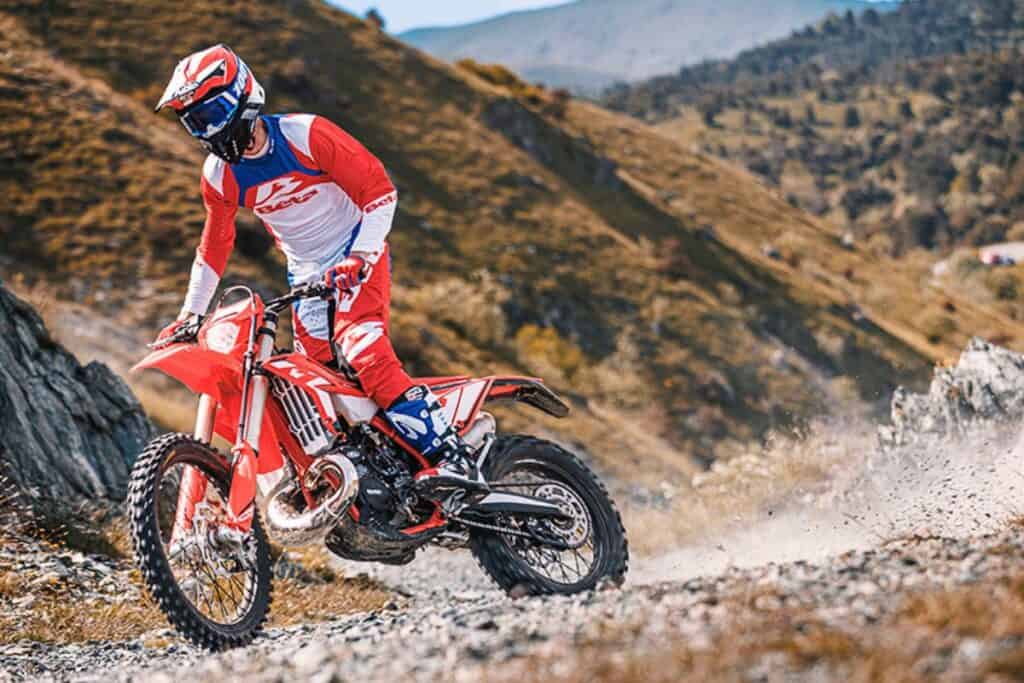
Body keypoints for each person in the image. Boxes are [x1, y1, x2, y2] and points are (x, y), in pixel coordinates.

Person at [154, 44, 482, 497]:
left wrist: (360, 255)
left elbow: (380, 192)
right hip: (306, 274)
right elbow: (214, 246)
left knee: (363, 349)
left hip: (355, 249)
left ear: (242, 96)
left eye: (211, 114)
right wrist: (190, 315)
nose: (206, 130)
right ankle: (369, 473)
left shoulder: (305, 135)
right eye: (194, 122)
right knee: (315, 380)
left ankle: (451, 456)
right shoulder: (219, 175)